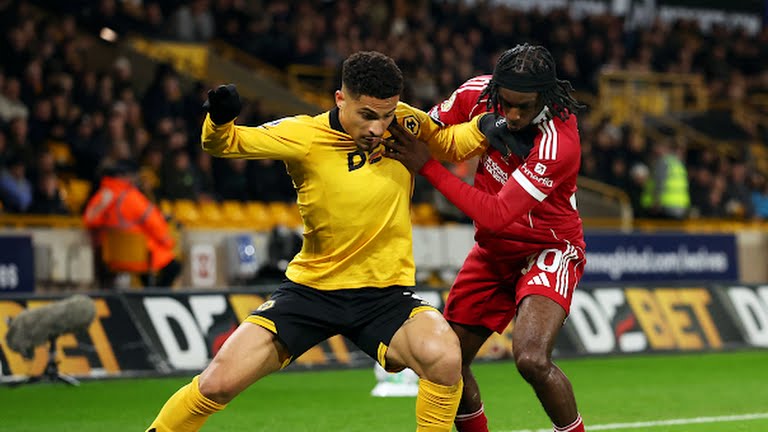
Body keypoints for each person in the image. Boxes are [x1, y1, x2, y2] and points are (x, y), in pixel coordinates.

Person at [144, 51, 512, 432]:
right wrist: (219, 120)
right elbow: (224, 144)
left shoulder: (405, 123)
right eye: (367, 115)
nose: (378, 128)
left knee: (445, 355)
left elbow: (450, 144)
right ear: (341, 99)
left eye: (386, 115)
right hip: (312, 292)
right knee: (216, 383)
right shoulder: (304, 135)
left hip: (384, 295)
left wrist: (485, 125)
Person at [384, 44, 588, 432]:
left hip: (547, 248)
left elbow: (495, 215)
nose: (511, 115)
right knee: (445, 361)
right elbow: (429, 128)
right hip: (494, 253)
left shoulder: (558, 142)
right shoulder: (479, 93)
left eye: (522, 107)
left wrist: (426, 166)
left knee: (531, 358)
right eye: (505, 103)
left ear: (544, 99)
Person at [83, 159, 181, 288]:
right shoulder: (132, 197)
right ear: (123, 177)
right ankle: (155, 296)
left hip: (112, 256)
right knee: (173, 266)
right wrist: (168, 241)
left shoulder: (103, 195)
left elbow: (89, 220)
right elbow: (154, 223)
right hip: (138, 256)